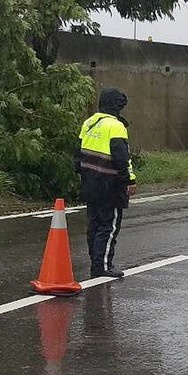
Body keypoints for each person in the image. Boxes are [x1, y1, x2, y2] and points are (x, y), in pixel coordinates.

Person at [75, 88, 137, 278]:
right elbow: (121, 158)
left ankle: (96, 262)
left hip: (89, 182)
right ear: (117, 106)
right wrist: (130, 180)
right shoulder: (116, 126)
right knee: (108, 226)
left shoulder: (89, 123)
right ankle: (102, 266)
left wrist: (82, 173)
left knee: (94, 224)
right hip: (111, 184)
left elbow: (77, 154)